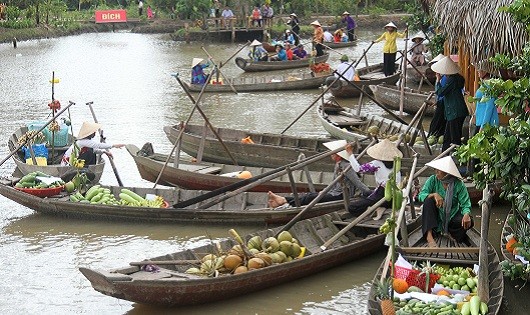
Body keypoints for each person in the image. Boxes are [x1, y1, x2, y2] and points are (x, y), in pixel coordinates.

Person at [267, 140, 372, 209]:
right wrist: (326, 191)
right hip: (334, 193)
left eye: (333, 152)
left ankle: (284, 201)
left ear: (338, 155)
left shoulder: (346, 166)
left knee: (310, 197)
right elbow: (333, 183)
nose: (331, 154)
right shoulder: (338, 164)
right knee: (310, 195)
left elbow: (357, 183)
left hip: (341, 196)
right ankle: (284, 200)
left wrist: (371, 194)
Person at [417, 156, 473, 247]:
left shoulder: (459, 184)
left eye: (439, 170)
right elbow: (421, 195)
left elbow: (465, 204)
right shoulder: (433, 180)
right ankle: (429, 235)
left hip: (451, 217)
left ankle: (450, 232)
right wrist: (434, 195)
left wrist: (467, 214)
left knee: (470, 221)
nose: (436, 172)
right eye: (436, 170)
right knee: (428, 201)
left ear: (447, 172)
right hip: (436, 216)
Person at [346, 139, 403, 215]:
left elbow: (358, 169)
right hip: (394, 196)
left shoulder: (377, 163)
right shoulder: (396, 164)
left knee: (352, 207)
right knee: (366, 194)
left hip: (384, 195)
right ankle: (376, 206)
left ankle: (374, 208)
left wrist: (350, 154)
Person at [431, 56, 470, 151]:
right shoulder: (457, 78)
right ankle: (444, 156)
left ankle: (456, 157)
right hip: (454, 112)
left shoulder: (452, 80)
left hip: (454, 112)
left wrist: (438, 80)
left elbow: (440, 92)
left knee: (455, 137)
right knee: (447, 137)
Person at [473, 61, 499, 133]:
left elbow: (489, 107)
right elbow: (479, 103)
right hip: (480, 120)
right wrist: (475, 115)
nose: (477, 71)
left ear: (485, 71)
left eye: (479, 69)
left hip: (487, 122)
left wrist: (483, 126)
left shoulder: (489, 86)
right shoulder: (484, 84)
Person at [427, 54, 447, 138]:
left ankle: (432, 136)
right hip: (439, 102)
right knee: (437, 123)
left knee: (437, 123)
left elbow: (442, 92)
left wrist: (438, 102)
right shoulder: (440, 77)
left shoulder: (445, 78)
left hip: (443, 104)